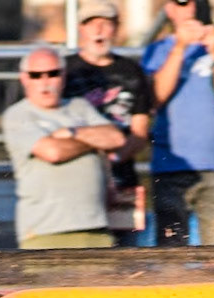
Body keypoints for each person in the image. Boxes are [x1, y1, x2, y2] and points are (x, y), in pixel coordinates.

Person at [142, 0, 214, 245]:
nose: (191, 10)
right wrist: (180, 47)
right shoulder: (157, 50)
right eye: (182, 3)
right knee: (171, 261)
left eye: (196, 3)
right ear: (169, 9)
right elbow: (154, 99)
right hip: (170, 167)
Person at [2, 47, 127, 249]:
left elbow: (115, 138)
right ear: (24, 79)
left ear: (63, 75)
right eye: (36, 75)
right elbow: (53, 152)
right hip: (45, 231)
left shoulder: (80, 106)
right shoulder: (18, 115)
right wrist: (93, 140)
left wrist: (71, 132)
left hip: (96, 227)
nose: (45, 81)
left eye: (52, 73)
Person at [63, 0, 152, 246]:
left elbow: (139, 132)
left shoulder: (131, 71)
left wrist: (111, 162)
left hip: (122, 179)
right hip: (76, 181)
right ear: (81, 29)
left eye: (106, 23)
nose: (99, 30)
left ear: (116, 28)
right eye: (92, 24)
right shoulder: (65, 71)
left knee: (125, 261)